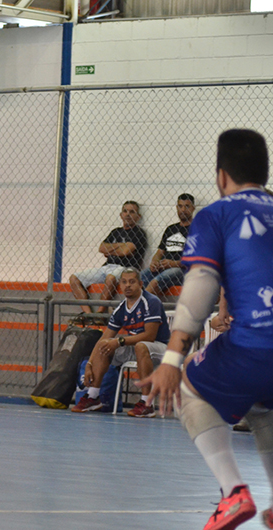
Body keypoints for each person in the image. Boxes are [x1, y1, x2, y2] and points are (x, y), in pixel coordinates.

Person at [141, 129, 273, 530]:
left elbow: (200, 285)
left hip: (255, 344)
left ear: (220, 176)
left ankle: (233, 493)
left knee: (188, 387)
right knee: (265, 407)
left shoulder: (217, 214)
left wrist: (173, 357)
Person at [70, 268, 170, 417]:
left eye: (132, 282)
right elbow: (104, 339)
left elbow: (149, 336)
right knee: (106, 345)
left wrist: (120, 341)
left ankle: (146, 404)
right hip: (137, 347)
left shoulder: (151, 302)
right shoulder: (121, 308)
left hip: (161, 347)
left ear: (141, 284)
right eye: (124, 282)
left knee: (140, 346)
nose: (127, 285)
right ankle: (93, 397)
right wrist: (90, 364)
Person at [69, 201, 147, 323]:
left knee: (110, 278)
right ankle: (88, 314)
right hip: (107, 266)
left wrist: (111, 249)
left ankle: (99, 314)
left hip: (126, 268)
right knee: (74, 278)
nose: (128, 214)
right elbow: (101, 248)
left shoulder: (139, 233)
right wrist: (121, 246)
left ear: (138, 217)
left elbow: (126, 251)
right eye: (125, 211)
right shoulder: (115, 232)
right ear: (121, 215)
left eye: (132, 212)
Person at [139, 193, 195, 298]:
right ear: (176, 207)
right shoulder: (171, 229)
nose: (183, 210)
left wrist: (173, 263)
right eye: (180, 206)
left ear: (193, 208)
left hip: (182, 270)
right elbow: (160, 252)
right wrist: (154, 262)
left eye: (187, 206)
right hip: (164, 267)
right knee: (138, 278)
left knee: (156, 282)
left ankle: (139, 309)